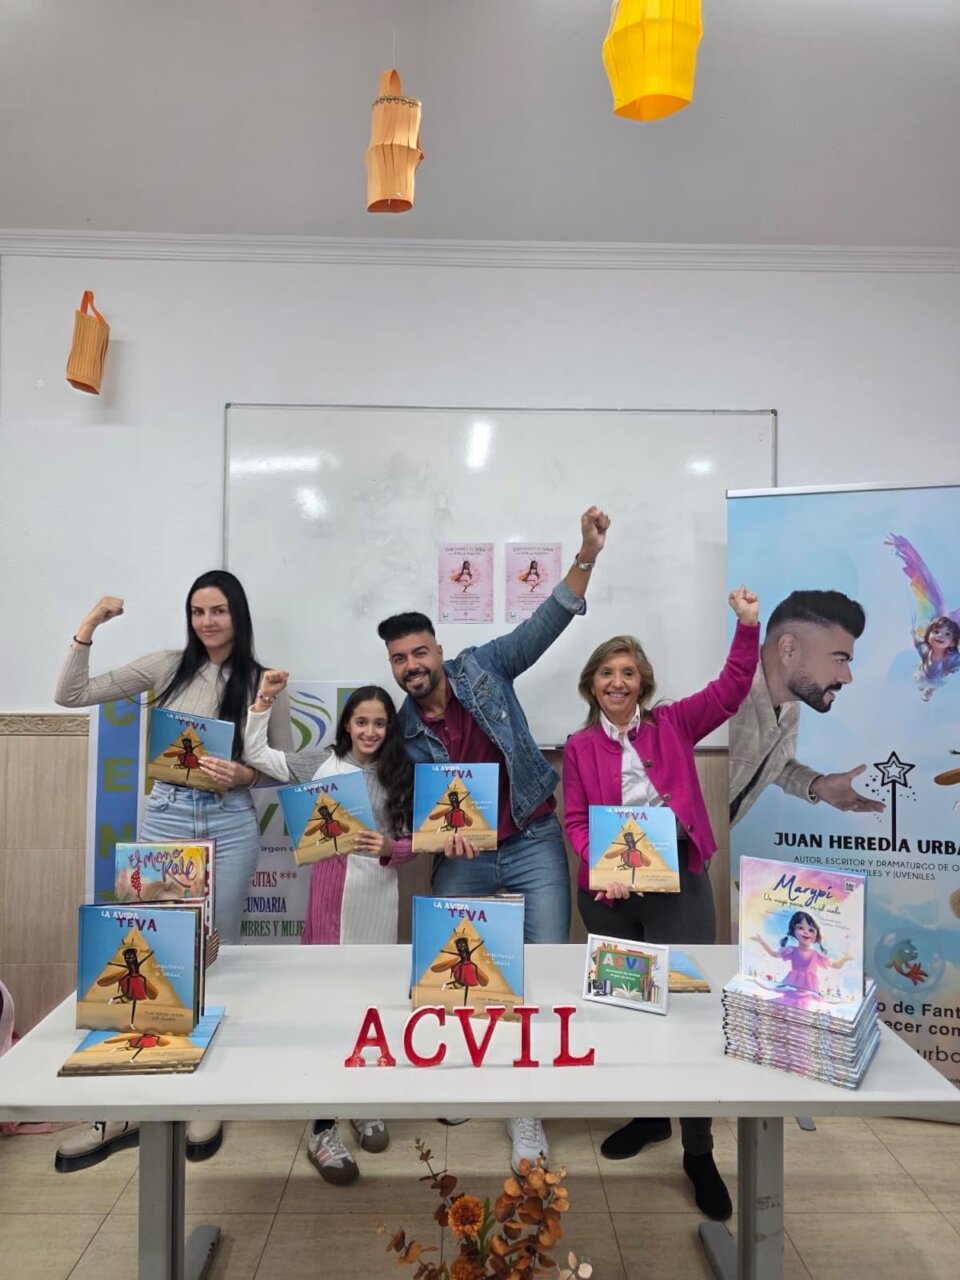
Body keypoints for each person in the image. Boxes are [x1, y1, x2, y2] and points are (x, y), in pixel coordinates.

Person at [378, 505, 611, 1174]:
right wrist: (434, 840)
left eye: (419, 652)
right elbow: (411, 809)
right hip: (467, 857)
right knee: (462, 975)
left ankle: (525, 1105)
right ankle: (471, 1074)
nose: (412, 666)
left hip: (532, 838)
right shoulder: (401, 730)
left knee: (543, 965)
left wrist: (586, 555)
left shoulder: (483, 668)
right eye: (399, 659)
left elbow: (546, 623)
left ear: (437, 649)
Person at [53, 570, 291, 1171]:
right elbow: (70, 695)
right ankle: (126, 1103)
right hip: (165, 818)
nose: (207, 622)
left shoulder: (263, 681)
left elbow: (279, 765)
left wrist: (245, 774)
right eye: (197, 611)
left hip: (230, 822)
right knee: (146, 956)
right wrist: (89, 625)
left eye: (218, 611)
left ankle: (207, 1094)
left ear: (238, 614)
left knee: (216, 957)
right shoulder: (166, 666)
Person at [563, 585, 760, 1222]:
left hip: (678, 880)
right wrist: (603, 868)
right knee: (630, 1004)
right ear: (592, 684)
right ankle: (651, 1116)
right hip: (611, 893)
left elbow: (731, 689)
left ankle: (698, 1150)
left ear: (642, 683)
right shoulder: (578, 746)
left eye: (628, 672)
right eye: (606, 673)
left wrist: (747, 626)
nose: (617, 682)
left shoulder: (674, 723)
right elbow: (575, 820)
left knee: (689, 1008)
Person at [243, 676, 415, 1186]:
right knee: (326, 1005)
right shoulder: (321, 764)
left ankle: (362, 1102)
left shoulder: (401, 772)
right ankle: (322, 1126)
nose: (370, 731)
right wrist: (263, 702)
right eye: (361, 721)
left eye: (379, 723)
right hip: (329, 899)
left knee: (372, 1003)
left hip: (378, 898)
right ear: (347, 724)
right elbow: (257, 754)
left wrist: (392, 848)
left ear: (390, 728)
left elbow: (415, 841)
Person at [728, 590, 885, 826]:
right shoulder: (726, 701)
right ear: (788, 650)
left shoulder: (788, 699)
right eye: (839, 659)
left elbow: (767, 761)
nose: (847, 677)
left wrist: (815, 784)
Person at [752, 911, 853, 996]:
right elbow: (774, 954)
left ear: (816, 934)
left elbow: (835, 965)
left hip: (809, 986)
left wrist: (845, 958)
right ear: (793, 931)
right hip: (792, 982)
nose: (806, 932)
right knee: (789, 999)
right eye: (800, 928)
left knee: (806, 1001)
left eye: (811, 930)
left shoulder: (816, 955)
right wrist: (761, 941)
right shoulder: (792, 950)